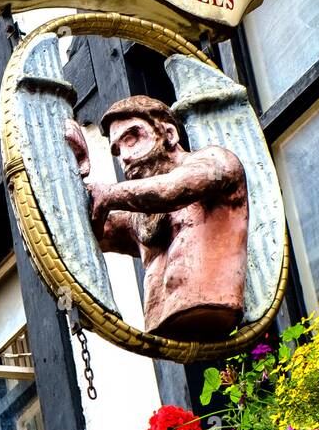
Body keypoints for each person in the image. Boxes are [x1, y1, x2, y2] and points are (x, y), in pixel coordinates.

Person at [64, 96, 248, 340]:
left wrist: (108, 194)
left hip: (213, 304)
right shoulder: (138, 216)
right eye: (117, 150)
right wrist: (70, 161)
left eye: (132, 138)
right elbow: (79, 228)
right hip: (162, 326)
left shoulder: (217, 162)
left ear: (169, 134)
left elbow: (172, 189)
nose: (125, 157)